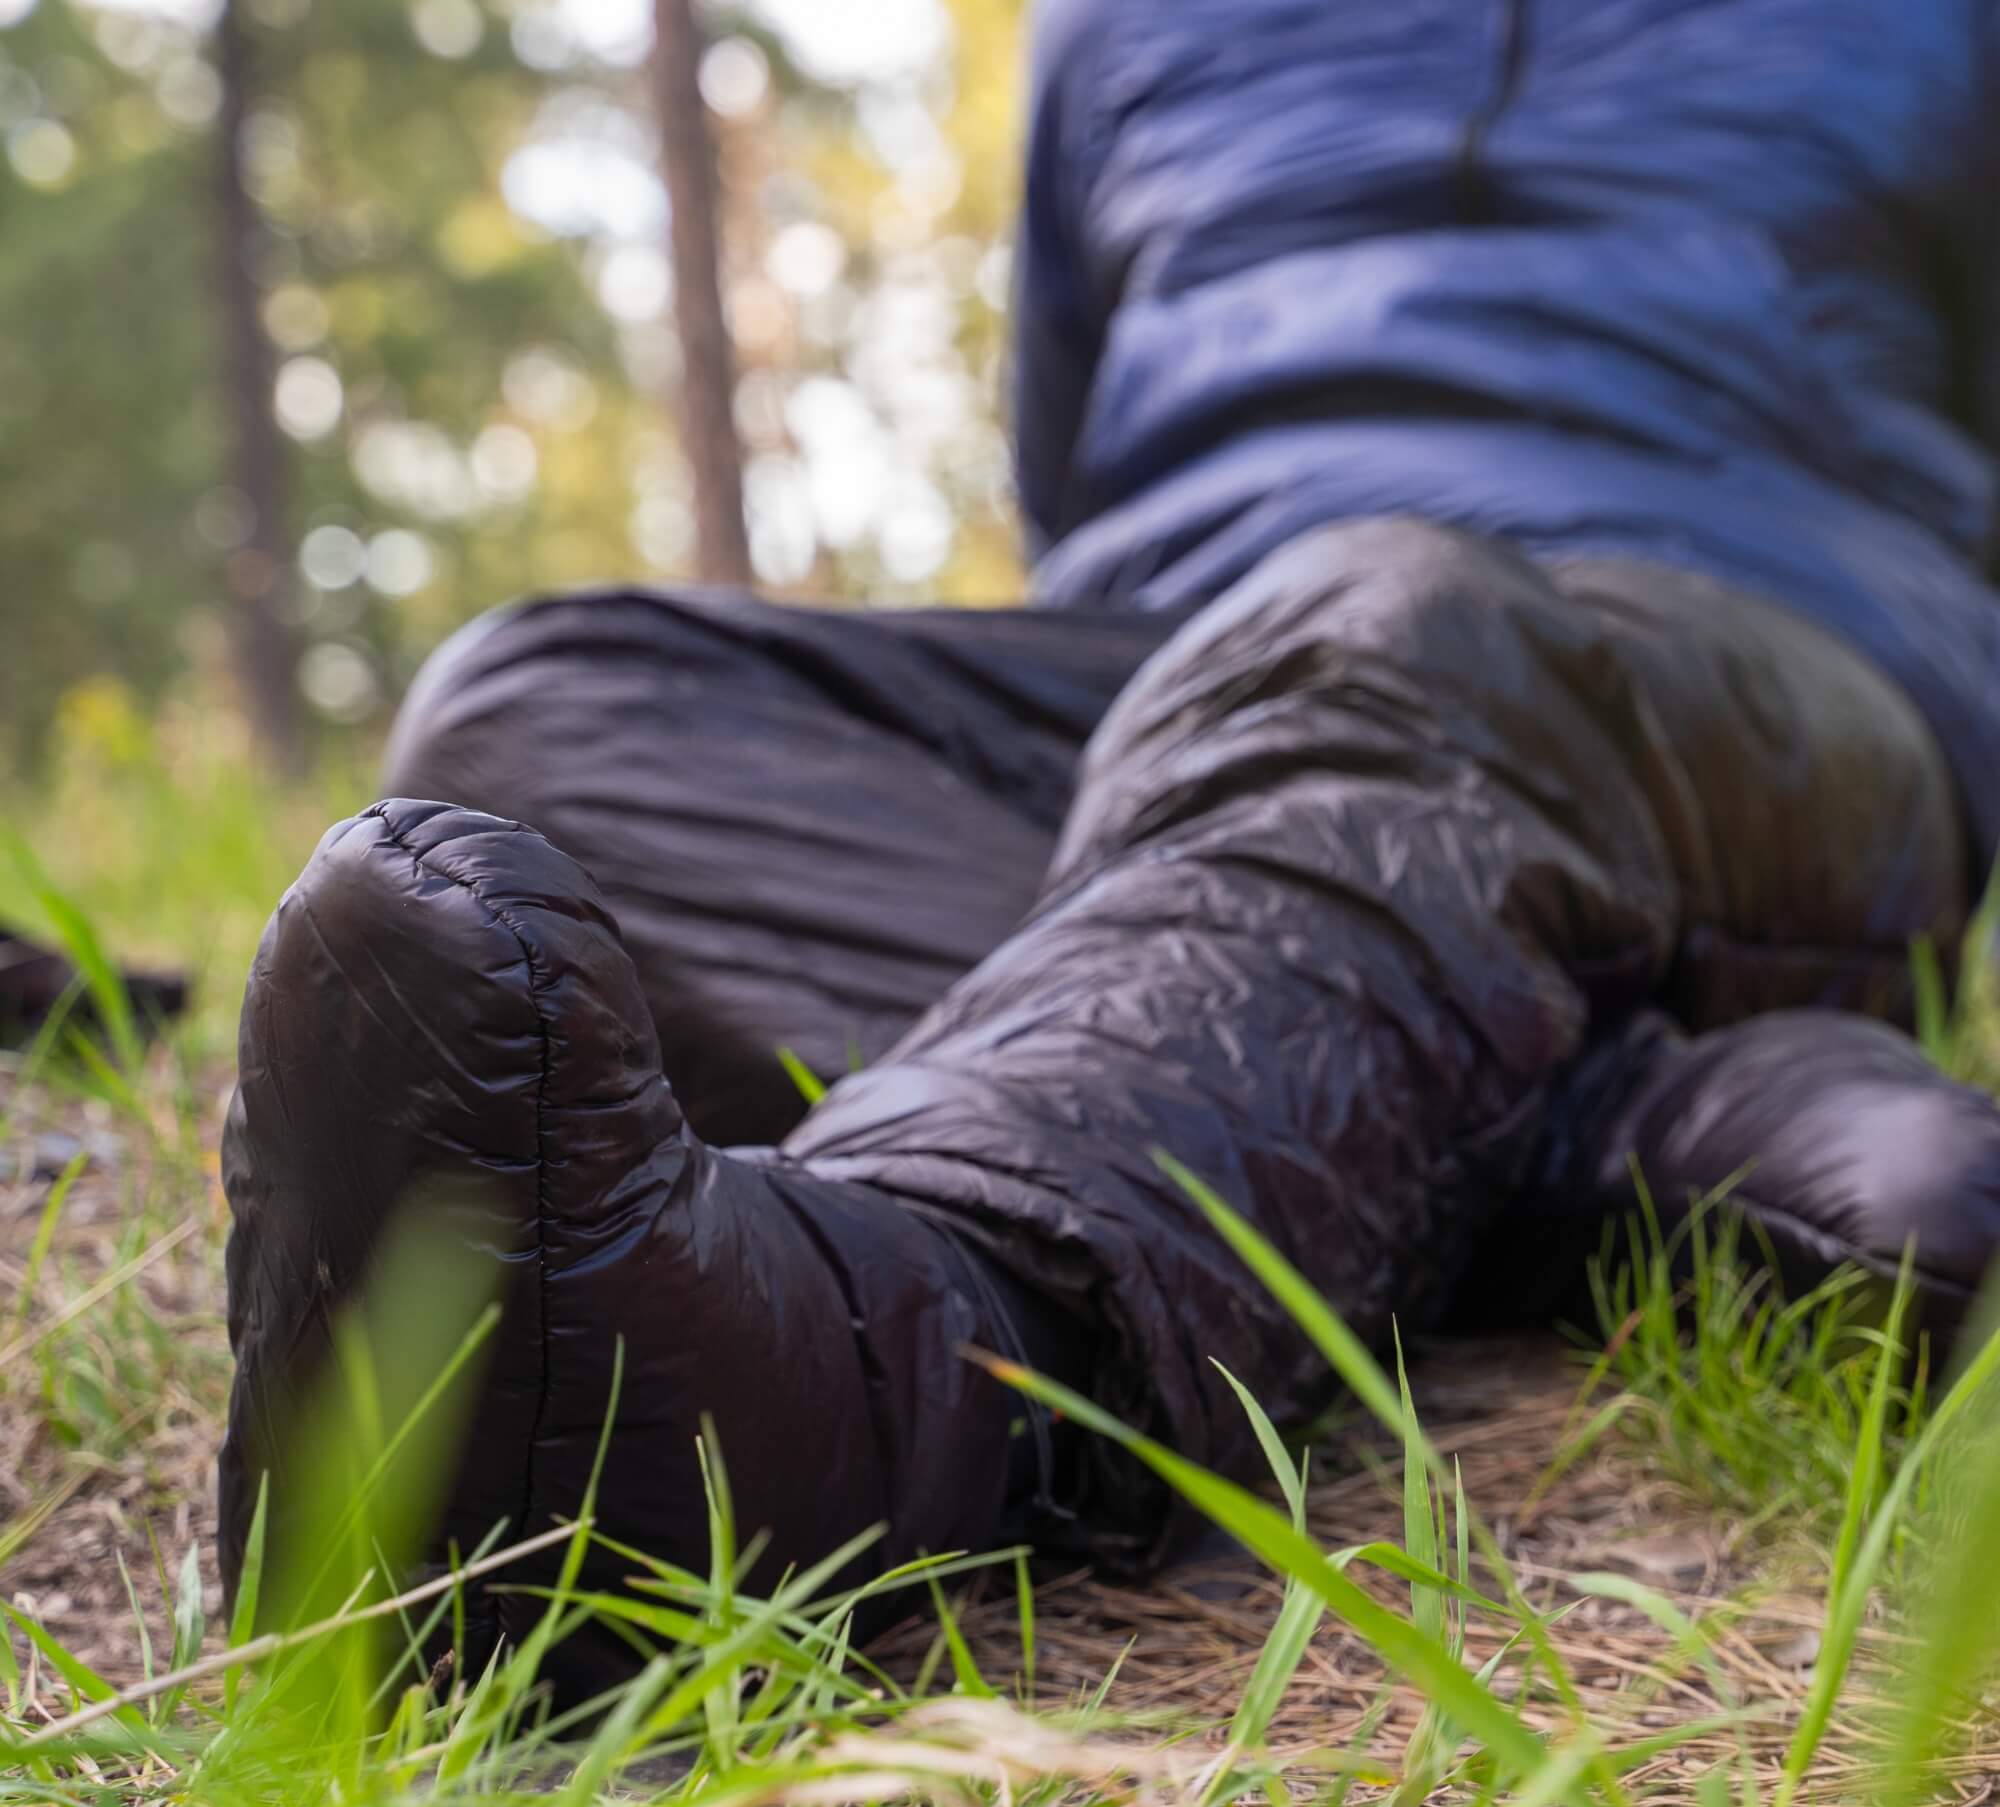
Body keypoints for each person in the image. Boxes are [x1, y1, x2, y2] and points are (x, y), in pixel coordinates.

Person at [219, 0, 2000, 1691]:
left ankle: (892, 1370)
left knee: (1392, 619)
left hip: (1770, 645)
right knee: (541, 697)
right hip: (1179, 656)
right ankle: (1551, 1134)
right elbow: (1069, 479)